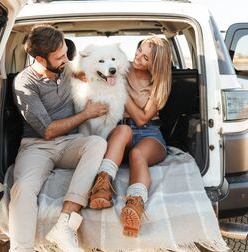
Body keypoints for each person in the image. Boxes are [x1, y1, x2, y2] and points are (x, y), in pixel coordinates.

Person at [10, 24, 108, 252]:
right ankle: (20, 249)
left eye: (66, 53)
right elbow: (47, 131)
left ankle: (65, 223)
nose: (67, 59)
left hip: (69, 144)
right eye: (60, 57)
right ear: (41, 60)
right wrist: (86, 114)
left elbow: (91, 69)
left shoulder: (66, 68)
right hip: (37, 146)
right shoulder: (25, 83)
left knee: (97, 143)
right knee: (23, 187)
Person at [88, 36, 172, 237]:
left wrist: (120, 91)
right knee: (124, 131)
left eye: (146, 58)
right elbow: (92, 71)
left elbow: (142, 118)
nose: (138, 58)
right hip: (121, 129)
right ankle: (102, 187)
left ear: (156, 64)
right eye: (138, 51)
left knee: (137, 155)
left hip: (149, 133)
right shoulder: (121, 67)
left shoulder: (160, 84)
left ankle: (135, 204)